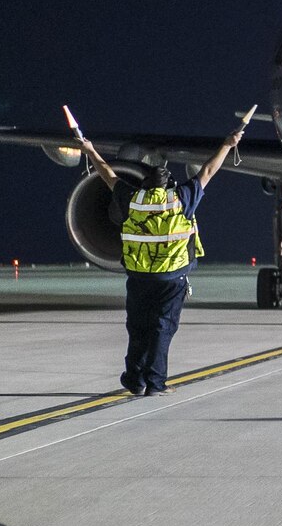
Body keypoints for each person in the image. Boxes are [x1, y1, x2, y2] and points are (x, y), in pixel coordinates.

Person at [75, 125, 245, 395]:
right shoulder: (181, 199)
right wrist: (227, 144)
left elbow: (107, 174)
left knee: (137, 328)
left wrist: (91, 150)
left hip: (139, 277)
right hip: (171, 279)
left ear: (145, 185)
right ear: (169, 185)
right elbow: (208, 171)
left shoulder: (133, 200)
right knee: (161, 329)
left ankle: (133, 378)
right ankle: (155, 383)